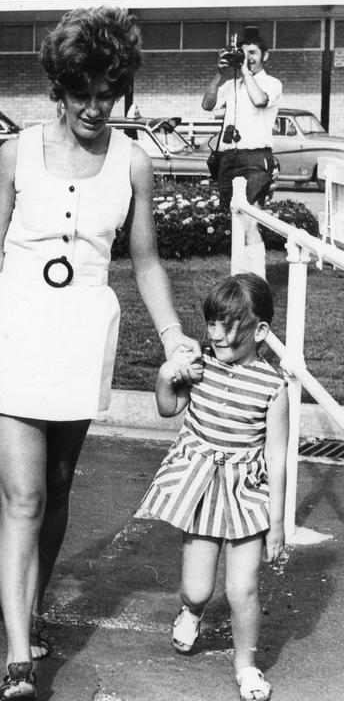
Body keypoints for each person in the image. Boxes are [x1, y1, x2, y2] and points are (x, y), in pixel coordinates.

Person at [0, 6, 200, 701]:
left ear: (122, 89)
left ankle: (30, 607)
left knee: (55, 492)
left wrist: (173, 333)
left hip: (83, 331)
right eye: (80, 91)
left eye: (106, 92)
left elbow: (144, 263)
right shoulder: (15, 152)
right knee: (22, 496)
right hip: (13, 326)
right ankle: (19, 657)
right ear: (59, 86)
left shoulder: (133, 162)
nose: (93, 106)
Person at [137, 273, 287, 701]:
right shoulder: (198, 363)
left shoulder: (273, 387)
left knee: (242, 589)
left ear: (260, 331)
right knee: (198, 588)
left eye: (229, 325)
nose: (216, 334)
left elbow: (276, 455)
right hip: (201, 487)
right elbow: (170, 409)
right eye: (212, 323)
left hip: (246, 492)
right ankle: (191, 610)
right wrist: (168, 375)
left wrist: (276, 523)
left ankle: (247, 665)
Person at [201, 29, 282, 279]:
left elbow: (259, 100)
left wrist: (245, 71)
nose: (248, 58)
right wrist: (221, 73)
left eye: (253, 53)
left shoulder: (271, 83)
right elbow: (207, 104)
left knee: (250, 221)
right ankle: (241, 280)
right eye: (243, 53)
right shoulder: (231, 85)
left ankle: (257, 284)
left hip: (255, 158)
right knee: (236, 219)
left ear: (265, 56)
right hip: (229, 158)